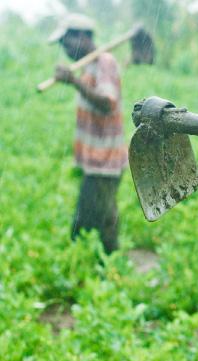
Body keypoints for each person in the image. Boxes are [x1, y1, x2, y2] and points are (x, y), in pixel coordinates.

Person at [48, 14, 128, 253]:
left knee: (92, 223)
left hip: (105, 161)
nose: (65, 48)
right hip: (94, 160)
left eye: (66, 42)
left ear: (81, 36)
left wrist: (74, 82)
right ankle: (106, 267)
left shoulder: (104, 62)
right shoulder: (87, 65)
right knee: (99, 216)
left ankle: (109, 270)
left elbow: (107, 102)